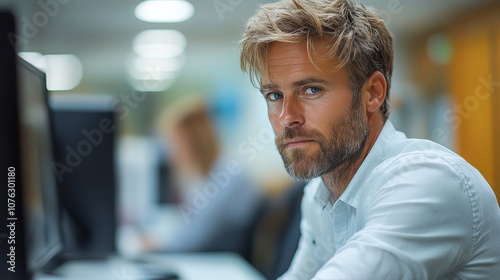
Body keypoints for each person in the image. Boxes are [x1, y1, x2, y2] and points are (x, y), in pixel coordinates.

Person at [239, 0, 500, 279]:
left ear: (373, 93)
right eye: (275, 95)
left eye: (311, 90)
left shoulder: (427, 181)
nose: (286, 117)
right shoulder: (320, 194)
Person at [155, 99, 262, 258]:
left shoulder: (227, 176)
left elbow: (189, 241)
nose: (171, 152)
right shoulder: (212, 172)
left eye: (175, 142)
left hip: (225, 263)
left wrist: (152, 245)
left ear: (194, 140)